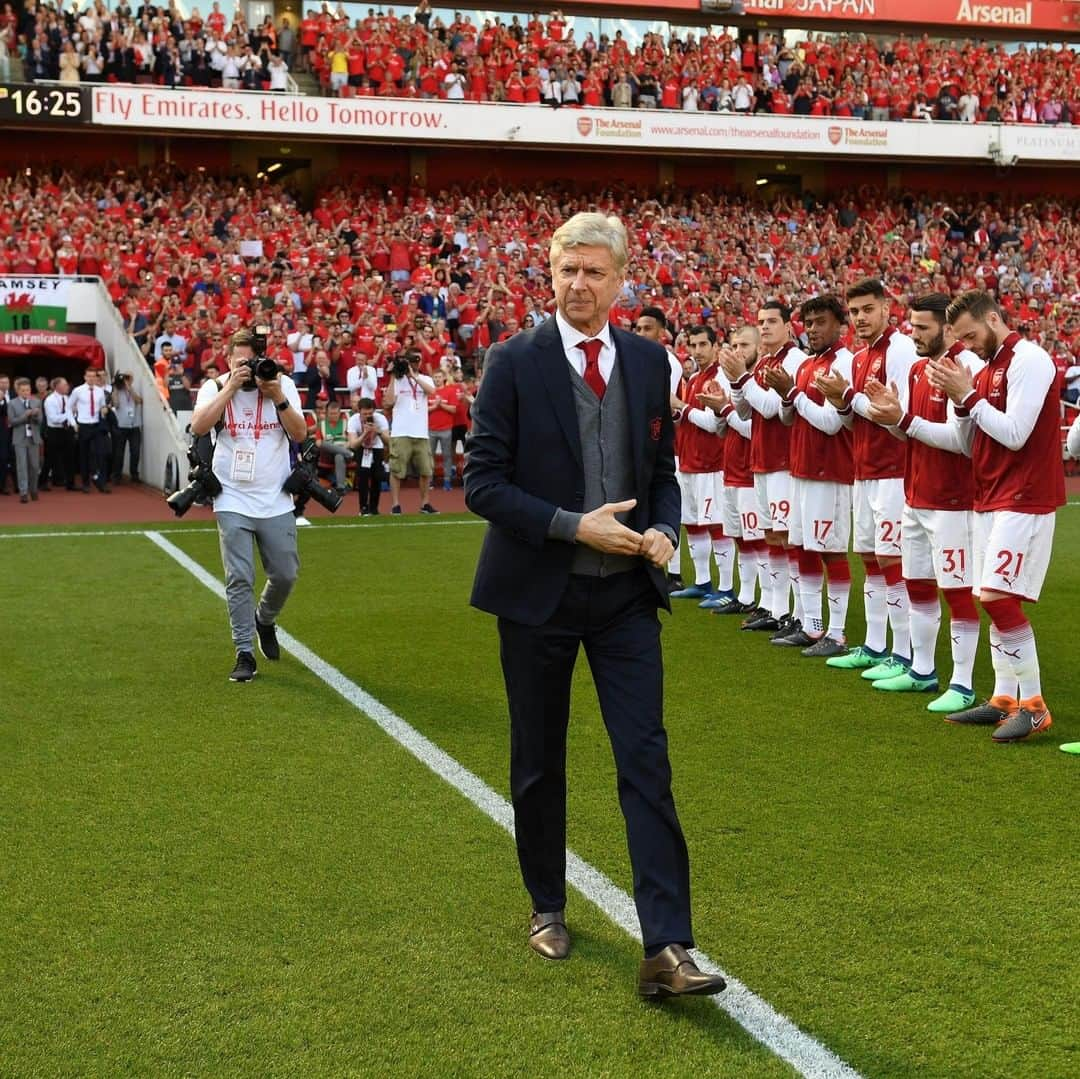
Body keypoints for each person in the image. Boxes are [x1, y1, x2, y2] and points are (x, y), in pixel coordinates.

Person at [464, 212, 725, 999]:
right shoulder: (512, 361)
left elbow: (664, 471)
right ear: (550, 273)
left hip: (624, 601)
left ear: (620, 279)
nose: (578, 283)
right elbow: (483, 482)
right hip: (537, 595)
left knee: (646, 760)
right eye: (566, 269)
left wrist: (667, 533)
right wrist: (573, 526)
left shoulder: (650, 362)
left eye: (593, 272)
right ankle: (547, 904)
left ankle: (669, 946)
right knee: (539, 762)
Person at [929, 290, 1064, 742]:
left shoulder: (1030, 358)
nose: (968, 345)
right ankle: (1004, 698)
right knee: (989, 596)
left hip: (1025, 496)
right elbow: (970, 444)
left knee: (997, 598)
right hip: (989, 496)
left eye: (971, 334)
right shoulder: (985, 370)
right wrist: (958, 399)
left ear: (993, 318)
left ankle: (1035, 705)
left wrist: (968, 394)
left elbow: (1016, 434)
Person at [862, 293, 984, 713]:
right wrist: (891, 416)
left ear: (947, 330)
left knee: (957, 590)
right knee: (918, 584)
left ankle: (963, 684)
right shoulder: (917, 370)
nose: (914, 334)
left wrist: (903, 420)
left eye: (922, 328)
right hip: (916, 494)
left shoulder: (965, 369)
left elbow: (959, 441)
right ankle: (922, 670)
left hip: (954, 500)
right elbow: (908, 431)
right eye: (912, 326)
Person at [190, 329, 308, 683]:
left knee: (285, 573)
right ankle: (244, 651)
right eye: (239, 362)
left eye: (250, 362)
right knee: (239, 577)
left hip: (275, 496)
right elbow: (198, 425)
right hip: (232, 495)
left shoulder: (280, 384)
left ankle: (265, 619)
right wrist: (229, 388)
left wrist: (276, 396)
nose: (246, 369)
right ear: (228, 359)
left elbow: (300, 434)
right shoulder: (214, 387)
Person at [818, 279, 918, 677]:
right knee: (871, 559)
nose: (860, 318)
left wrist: (849, 398)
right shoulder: (860, 358)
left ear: (886, 308)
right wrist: (840, 401)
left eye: (867, 310)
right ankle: (876, 645)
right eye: (855, 312)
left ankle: (905, 652)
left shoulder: (900, 350)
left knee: (893, 561)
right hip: (864, 471)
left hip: (893, 471)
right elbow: (852, 418)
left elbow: (893, 411)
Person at [768, 295, 856, 654]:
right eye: (809, 322)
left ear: (839, 324)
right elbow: (789, 419)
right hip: (802, 469)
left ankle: (836, 633)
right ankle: (812, 626)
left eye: (821, 322)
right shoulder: (807, 365)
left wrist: (792, 394)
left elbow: (832, 423)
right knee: (802, 547)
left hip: (830, 471)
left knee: (831, 552)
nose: (814, 329)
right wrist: (788, 397)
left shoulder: (844, 364)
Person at [724, 301, 806, 632]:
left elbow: (773, 408)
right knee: (772, 536)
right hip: (762, 460)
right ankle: (775, 606)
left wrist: (743, 378)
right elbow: (745, 412)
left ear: (788, 326)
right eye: (761, 322)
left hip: (785, 462)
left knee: (788, 538)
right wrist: (737, 381)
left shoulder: (795, 360)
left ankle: (799, 613)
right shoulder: (765, 363)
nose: (766, 327)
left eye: (772, 321)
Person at [669, 326, 735, 607]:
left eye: (703, 344)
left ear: (715, 345)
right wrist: (676, 412)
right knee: (693, 524)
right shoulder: (694, 377)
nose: (697, 351)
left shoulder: (720, 377)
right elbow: (688, 418)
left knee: (716, 525)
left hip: (712, 463)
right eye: (693, 345)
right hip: (689, 461)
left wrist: (681, 408)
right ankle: (702, 581)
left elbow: (714, 422)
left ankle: (726, 589)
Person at [633, 305, 686, 590]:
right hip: (642, 442)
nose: (641, 333)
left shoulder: (667, 361)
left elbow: (665, 402)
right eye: (638, 328)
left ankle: (673, 573)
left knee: (661, 504)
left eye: (648, 328)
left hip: (661, 443)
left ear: (662, 332)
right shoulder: (633, 356)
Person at [383, 349, 438, 514]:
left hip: (420, 432)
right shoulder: (397, 380)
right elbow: (388, 402)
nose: (415, 363)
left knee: (426, 470)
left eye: (418, 360)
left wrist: (414, 376)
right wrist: (393, 375)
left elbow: (432, 391)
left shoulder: (425, 378)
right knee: (397, 469)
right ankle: (395, 504)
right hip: (401, 431)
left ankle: (425, 503)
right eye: (412, 360)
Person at [346, 396, 390, 515]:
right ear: (359, 411)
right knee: (363, 477)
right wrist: (364, 434)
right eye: (364, 413)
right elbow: (353, 444)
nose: (367, 416)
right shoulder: (353, 420)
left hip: (376, 447)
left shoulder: (380, 419)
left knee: (377, 477)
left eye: (370, 413)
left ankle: (374, 507)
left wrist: (378, 431)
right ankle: (363, 507)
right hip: (362, 447)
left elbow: (389, 441)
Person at [68, 368, 109, 492]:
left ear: (96, 378)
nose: (91, 379)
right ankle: (86, 482)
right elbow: (69, 408)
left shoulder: (100, 391)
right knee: (84, 454)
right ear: (85, 377)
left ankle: (101, 481)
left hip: (96, 425)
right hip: (83, 425)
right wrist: (73, 423)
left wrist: (104, 410)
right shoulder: (78, 391)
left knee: (100, 453)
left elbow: (102, 405)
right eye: (89, 376)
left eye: (93, 376)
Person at [8, 379, 43, 502]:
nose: (26, 392)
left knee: (34, 466)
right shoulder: (12, 403)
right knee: (21, 466)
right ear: (18, 391)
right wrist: (25, 415)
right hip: (19, 439)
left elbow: (40, 421)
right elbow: (12, 421)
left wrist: (35, 415)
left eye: (27, 390)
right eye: (23, 390)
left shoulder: (36, 402)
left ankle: (33, 490)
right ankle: (23, 492)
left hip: (33, 438)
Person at [427, 369, 459, 490]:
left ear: (444, 378)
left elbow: (454, 409)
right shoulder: (429, 391)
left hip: (446, 428)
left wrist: (441, 405)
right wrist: (435, 406)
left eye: (439, 377)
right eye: (435, 377)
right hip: (430, 428)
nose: (437, 379)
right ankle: (429, 480)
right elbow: (423, 410)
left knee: (447, 455)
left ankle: (447, 480)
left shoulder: (450, 391)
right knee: (430, 456)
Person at [43, 377, 76, 491]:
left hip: (67, 431)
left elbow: (70, 414)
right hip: (54, 431)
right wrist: (68, 415)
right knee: (50, 458)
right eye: (65, 384)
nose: (68, 387)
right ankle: (42, 482)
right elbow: (53, 418)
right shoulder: (50, 400)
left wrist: (74, 423)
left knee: (70, 457)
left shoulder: (67, 398)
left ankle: (70, 484)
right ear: (57, 387)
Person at [110, 371, 143, 483]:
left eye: (128, 378)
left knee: (135, 451)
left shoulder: (135, 389)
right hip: (121, 425)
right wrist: (115, 389)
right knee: (119, 452)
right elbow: (116, 404)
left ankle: (134, 474)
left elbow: (139, 401)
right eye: (125, 378)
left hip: (134, 425)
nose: (126, 380)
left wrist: (130, 389)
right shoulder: (116, 390)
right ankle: (117, 474)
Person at [314, 398, 352, 492]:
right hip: (327, 454)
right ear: (327, 413)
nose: (333, 416)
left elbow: (350, 441)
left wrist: (342, 449)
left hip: (343, 450)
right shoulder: (321, 424)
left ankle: (341, 487)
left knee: (339, 456)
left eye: (335, 413)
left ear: (339, 413)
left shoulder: (346, 423)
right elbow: (318, 443)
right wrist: (335, 448)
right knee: (323, 444)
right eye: (331, 414)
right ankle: (347, 453)